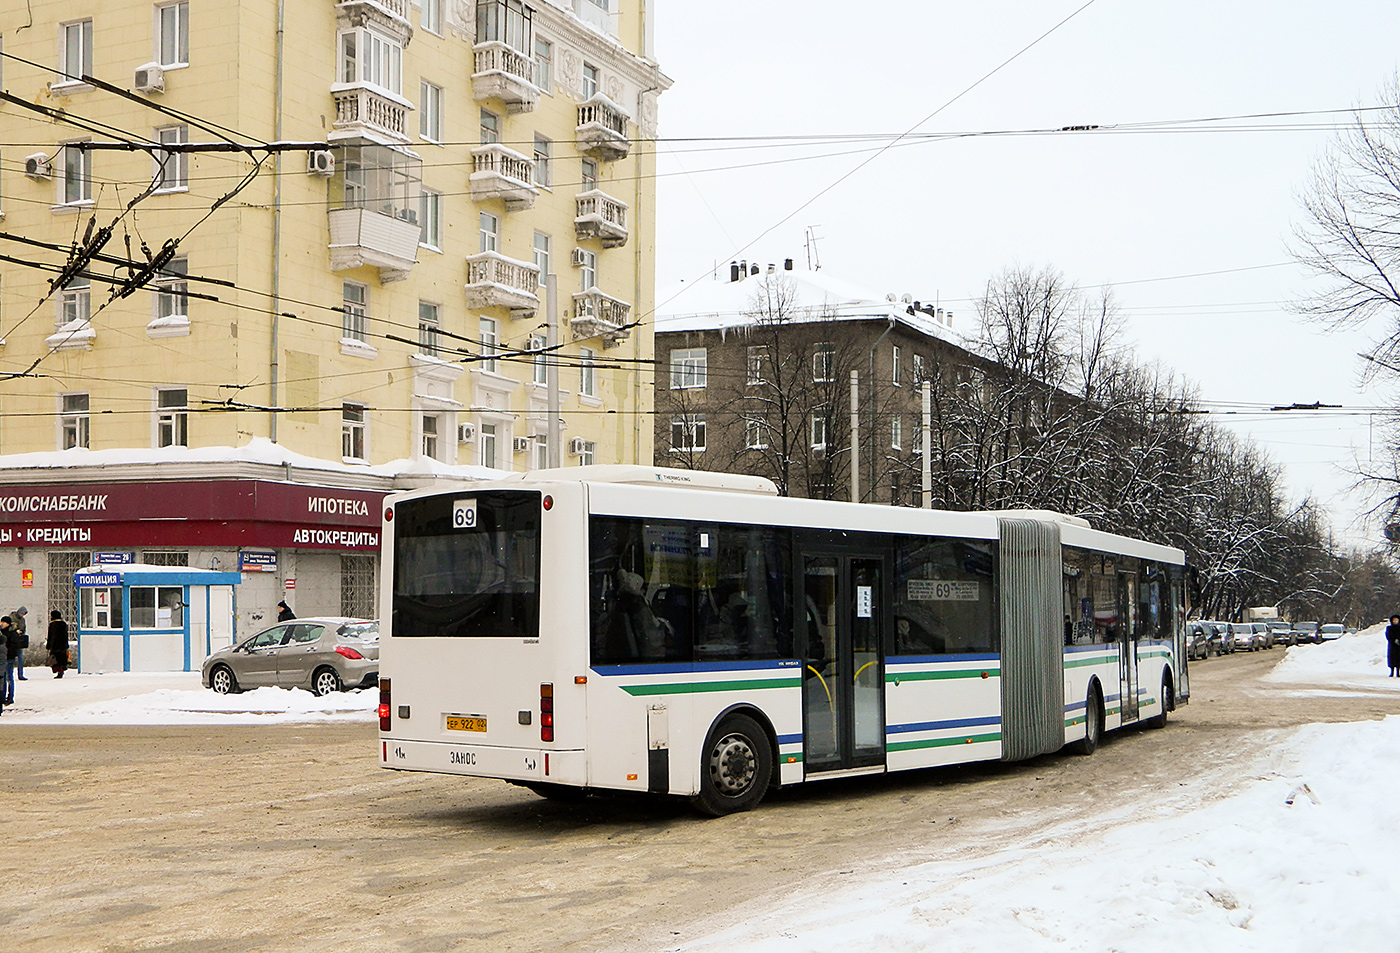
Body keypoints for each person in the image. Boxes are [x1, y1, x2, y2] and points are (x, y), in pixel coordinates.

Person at [47, 609, 70, 679]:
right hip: (62, 645)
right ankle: (61, 671)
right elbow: (66, 635)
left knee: (55, 659)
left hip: (55, 646)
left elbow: (50, 636)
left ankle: (59, 671)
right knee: (62, 659)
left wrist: (49, 645)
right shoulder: (63, 624)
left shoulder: (52, 625)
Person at [2, 615, 19, 706]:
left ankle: (10, 696)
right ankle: (3, 696)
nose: (2, 624)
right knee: (3, 678)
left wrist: (7, 652)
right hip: (3, 658)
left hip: (9, 657)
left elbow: (14, 645)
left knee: (9, 677)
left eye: (3, 622)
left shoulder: (12, 633)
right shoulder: (2, 632)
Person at [13, 605, 28, 680]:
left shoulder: (22, 620)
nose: (22, 615)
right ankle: (8, 675)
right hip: (12, 641)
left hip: (19, 641)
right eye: (22, 613)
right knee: (10, 660)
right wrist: (16, 630)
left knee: (20, 659)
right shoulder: (12, 617)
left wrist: (22, 632)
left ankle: (20, 674)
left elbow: (24, 627)